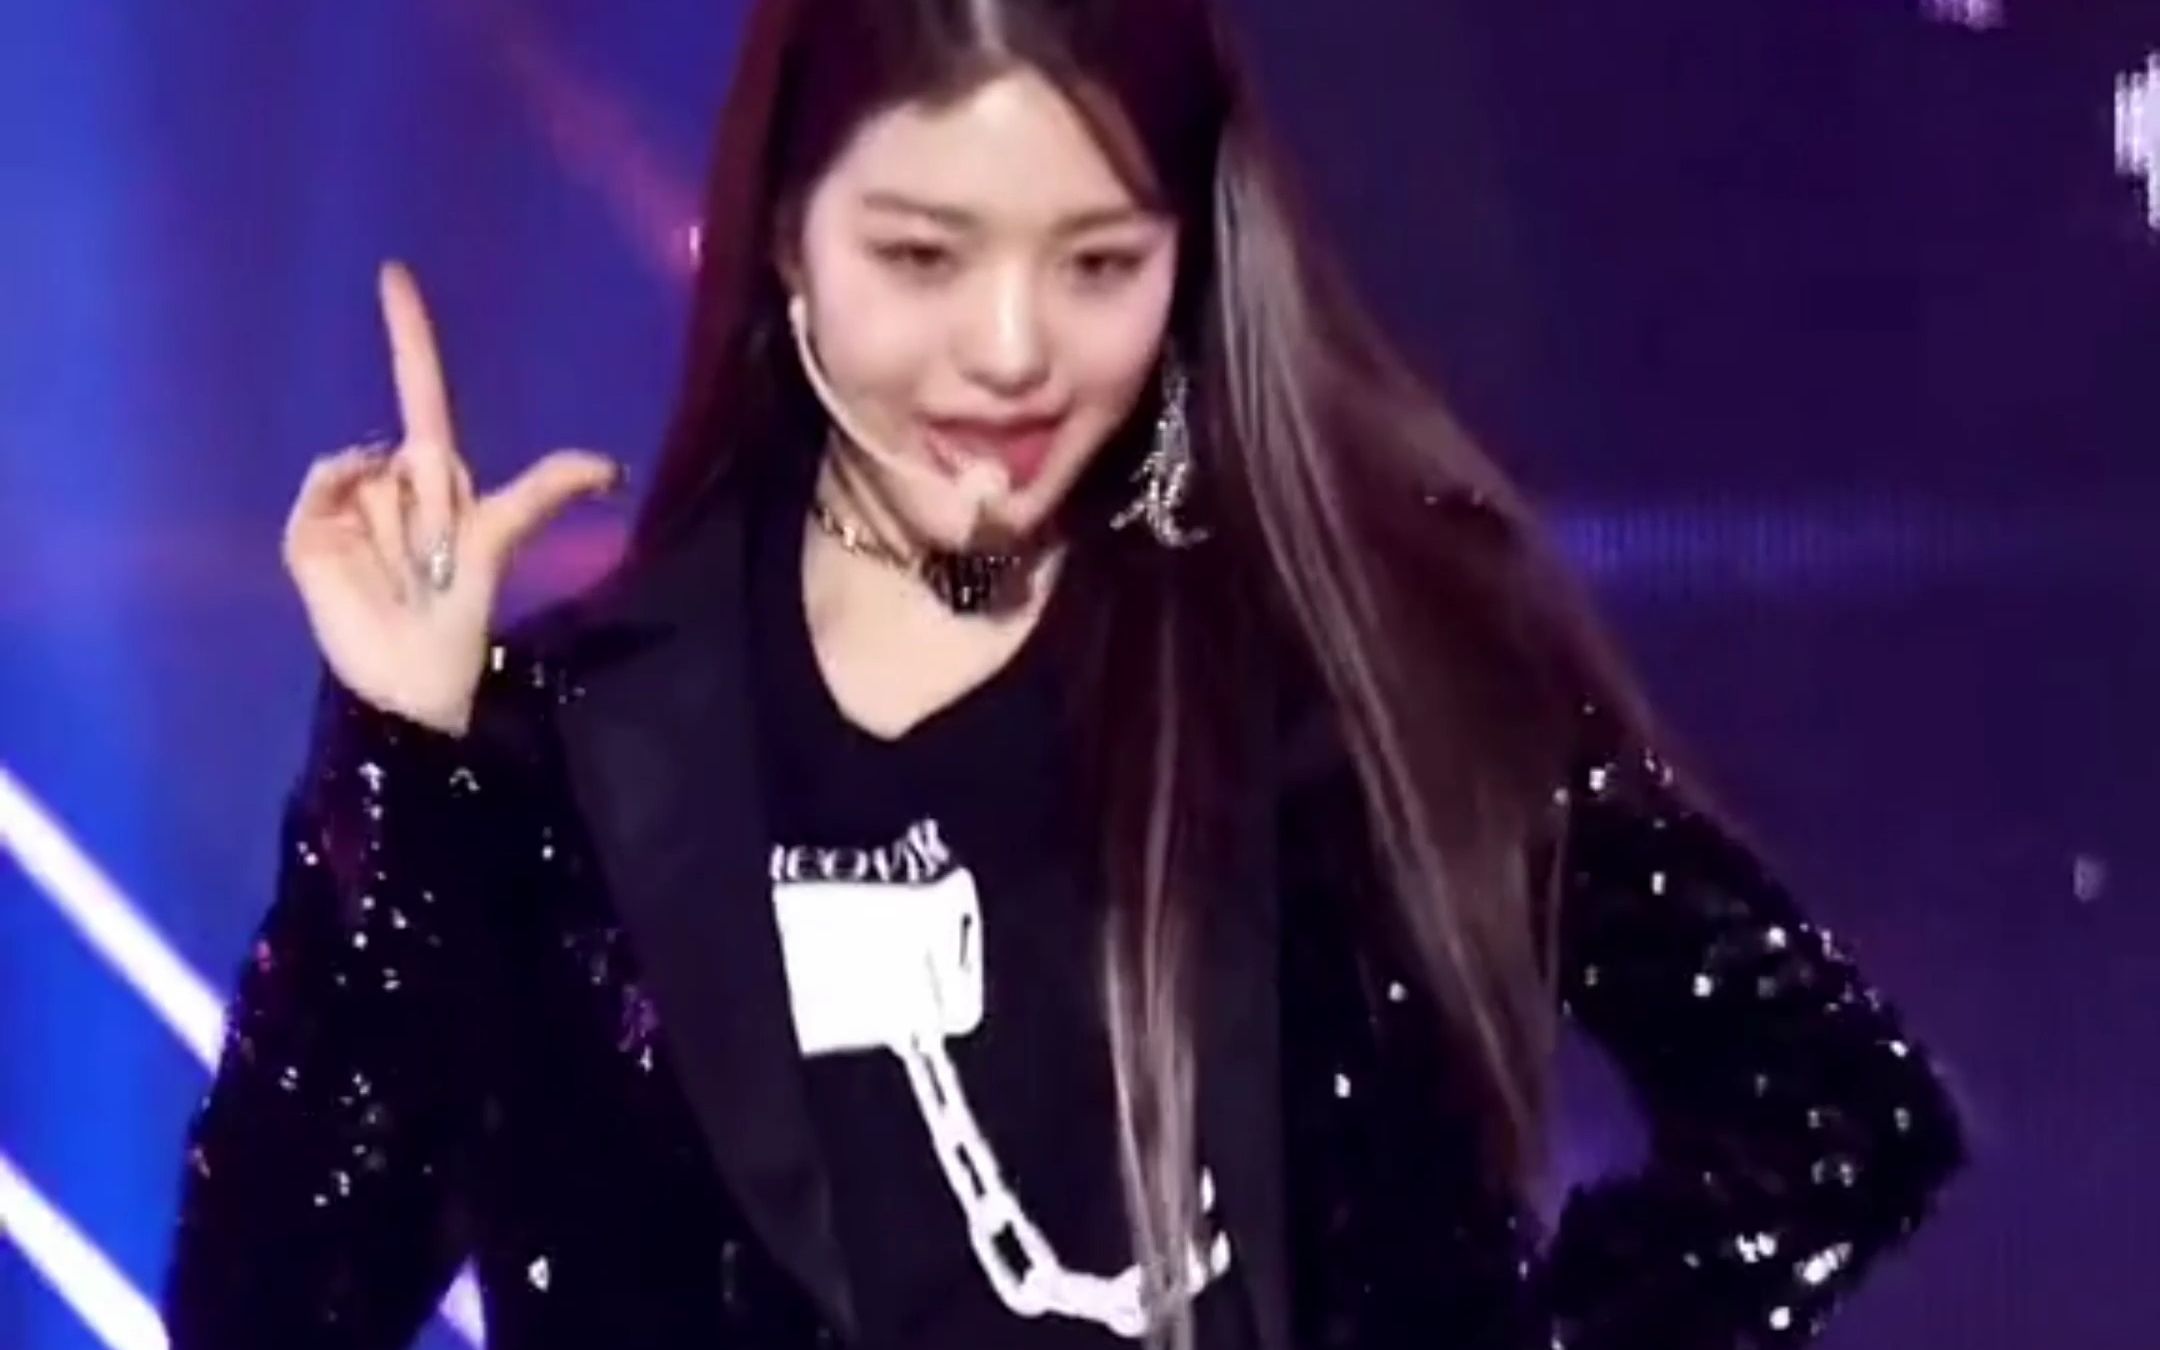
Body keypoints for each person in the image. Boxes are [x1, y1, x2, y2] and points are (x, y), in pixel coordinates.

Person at [161, 0, 1967, 1347]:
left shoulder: (1363, 662)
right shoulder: (573, 756)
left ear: (1193, 249)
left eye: (1099, 260)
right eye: (922, 255)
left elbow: (1834, 1113)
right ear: (784, 235)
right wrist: (398, 748)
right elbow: (267, 1314)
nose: (1014, 350)